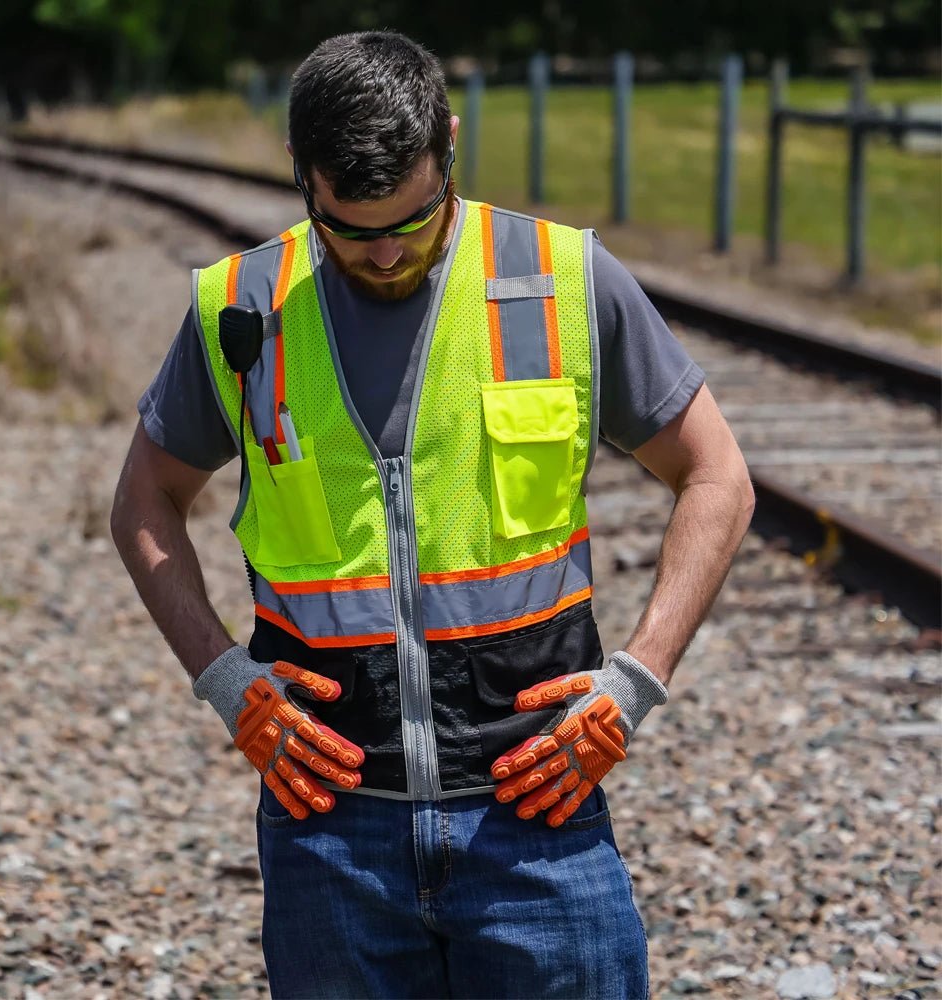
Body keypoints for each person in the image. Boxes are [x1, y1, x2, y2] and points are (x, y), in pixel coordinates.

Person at [111, 30, 755, 1000]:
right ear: (302, 179)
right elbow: (144, 501)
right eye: (349, 227)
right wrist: (225, 682)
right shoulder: (242, 305)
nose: (383, 254)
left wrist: (634, 681)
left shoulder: (558, 274)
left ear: (448, 145)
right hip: (328, 831)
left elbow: (718, 477)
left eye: (410, 222)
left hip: (536, 821)